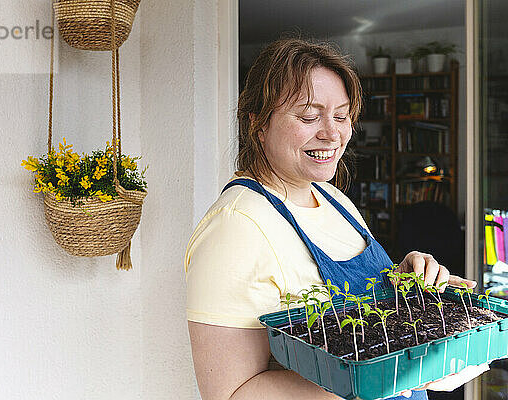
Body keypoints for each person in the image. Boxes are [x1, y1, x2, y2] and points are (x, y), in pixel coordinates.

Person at [185, 38, 485, 400]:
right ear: (257, 123)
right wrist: (383, 375)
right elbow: (230, 392)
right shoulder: (235, 228)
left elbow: (367, 314)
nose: (332, 133)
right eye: (309, 116)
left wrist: (403, 281)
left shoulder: (331, 197)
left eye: (341, 116)